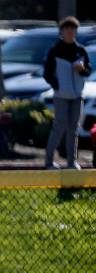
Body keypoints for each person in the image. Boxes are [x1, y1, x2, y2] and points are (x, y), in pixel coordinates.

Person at [43, 16, 91, 170]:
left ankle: (71, 162)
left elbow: (88, 71)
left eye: (73, 29)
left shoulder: (81, 50)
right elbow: (47, 73)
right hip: (61, 96)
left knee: (73, 129)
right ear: (62, 31)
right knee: (59, 127)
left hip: (77, 96)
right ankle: (49, 162)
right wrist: (57, 85)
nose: (70, 31)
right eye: (67, 29)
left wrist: (82, 70)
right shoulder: (55, 51)